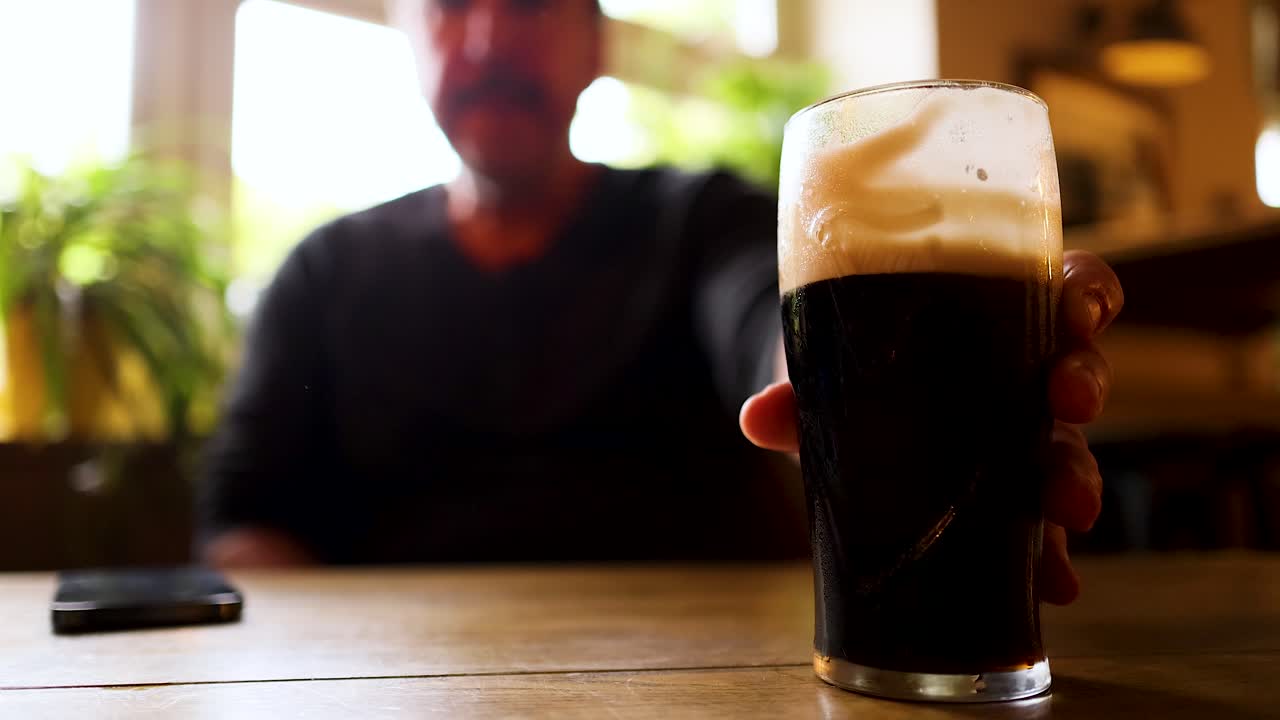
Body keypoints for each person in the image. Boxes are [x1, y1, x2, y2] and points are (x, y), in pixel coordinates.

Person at [201, 0, 1121, 605]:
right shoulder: (322, 273)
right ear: (409, 42)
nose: (485, 41)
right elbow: (242, 521)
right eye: (447, 8)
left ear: (597, 47)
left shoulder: (700, 222)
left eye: (526, 2)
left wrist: (887, 381)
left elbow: (773, 324)